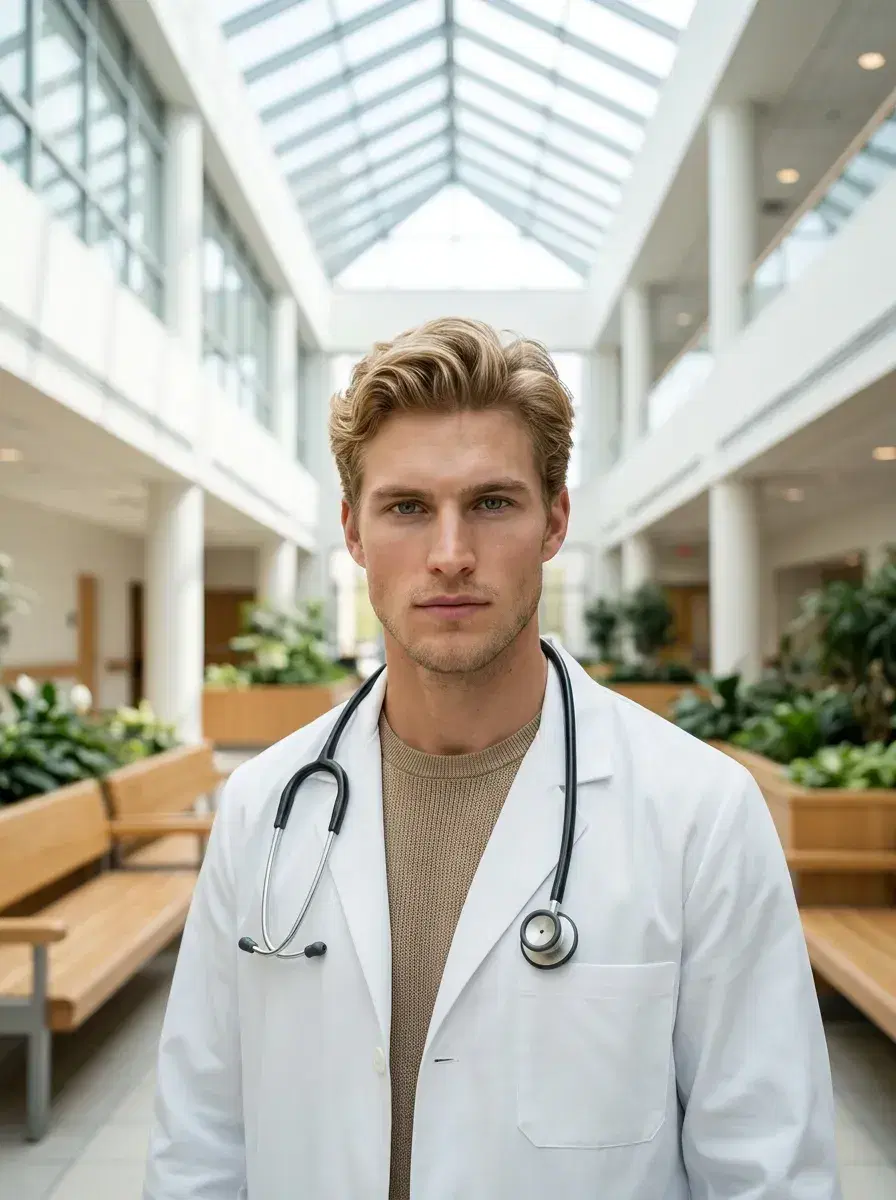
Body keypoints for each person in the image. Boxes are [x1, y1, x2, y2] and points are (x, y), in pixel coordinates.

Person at [143, 318, 841, 1199]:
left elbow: (767, 1168)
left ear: (554, 521)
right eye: (406, 508)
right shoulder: (261, 808)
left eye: (491, 502)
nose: (449, 555)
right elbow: (200, 1142)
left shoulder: (700, 812)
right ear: (354, 534)